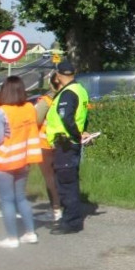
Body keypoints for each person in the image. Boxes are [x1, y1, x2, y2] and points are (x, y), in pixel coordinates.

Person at [0, 75, 42, 248]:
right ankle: (30, 233)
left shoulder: (2, 111)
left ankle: (12, 238)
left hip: (5, 160)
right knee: (21, 198)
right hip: (24, 159)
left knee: (7, 200)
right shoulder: (29, 108)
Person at [45, 60, 90, 235]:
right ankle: (68, 218)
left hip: (66, 144)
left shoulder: (68, 93)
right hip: (71, 143)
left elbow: (67, 118)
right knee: (67, 181)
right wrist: (82, 132)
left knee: (66, 184)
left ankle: (71, 222)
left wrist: (76, 135)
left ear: (58, 75)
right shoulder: (80, 90)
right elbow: (83, 117)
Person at [32, 72, 63, 223]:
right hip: (63, 142)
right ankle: (62, 206)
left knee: (49, 177)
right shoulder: (68, 97)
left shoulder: (47, 100)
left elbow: (35, 120)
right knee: (60, 175)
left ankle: (55, 209)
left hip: (45, 143)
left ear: (51, 84)